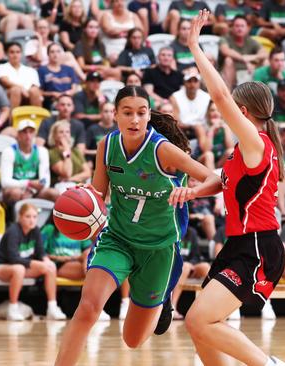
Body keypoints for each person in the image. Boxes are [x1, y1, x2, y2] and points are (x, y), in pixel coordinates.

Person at [54, 81, 221, 364]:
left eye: (141, 113)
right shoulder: (107, 146)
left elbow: (216, 180)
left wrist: (191, 190)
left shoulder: (164, 151)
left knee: (133, 340)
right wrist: (80, 200)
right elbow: (97, 196)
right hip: (117, 239)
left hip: (158, 249)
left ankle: (163, 299)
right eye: (127, 112)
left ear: (148, 115)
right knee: (88, 309)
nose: (135, 119)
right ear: (115, 115)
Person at [183, 10, 285, 365]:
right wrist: (192, 191)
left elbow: (219, 96)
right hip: (240, 245)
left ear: (244, 111)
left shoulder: (257, 142)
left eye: (234, 108)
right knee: (199, 325)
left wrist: (195, 48)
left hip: (259, 246)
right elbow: (221, 180)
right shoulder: (244, 151)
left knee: (200, 320)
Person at [0, 203, 66, 321]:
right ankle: (12, 308)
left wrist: (46, 260)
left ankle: (52, 308)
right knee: (18, 269)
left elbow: (41, 253)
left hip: (21, 267)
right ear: (20, 217)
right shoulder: (13, 231)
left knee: (51, 267)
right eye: (28, 216)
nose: (32, 220)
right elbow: (13, 258)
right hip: (0, 267)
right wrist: (35, 264)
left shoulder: (35, 230)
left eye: (35, 217)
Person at [1, 119, 57, 205]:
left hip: (34, 190)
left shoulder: (42, 151)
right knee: (15, 193)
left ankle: (50, 218)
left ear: (35, 134)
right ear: (18, 135)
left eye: (31, 132)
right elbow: (5, 182)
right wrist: (28, 183)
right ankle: (12, 217)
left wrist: (31, 190)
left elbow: (45, 182)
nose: (28, 136)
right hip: (15, 188)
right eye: (24, 132)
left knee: (54, 193)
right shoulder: (9, 151)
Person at [170, 227, 210, 320]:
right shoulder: (172, 230)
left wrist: (192, 264)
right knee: (185, 266)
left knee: (205, 267)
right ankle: (173, 306)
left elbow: (196, 255)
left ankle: (211, 308)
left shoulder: (192, 232)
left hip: (189, 267)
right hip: (173, 268)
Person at [219, 15, 266, 89]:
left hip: (248, 72)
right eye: (237, 26)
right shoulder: (225, 39)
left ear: (247, 28)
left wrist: (252, 60)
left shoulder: (250, 40)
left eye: (242, 26)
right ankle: (228, 94)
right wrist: (243, 59)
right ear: (232, 27)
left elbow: (264, 53)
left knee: (265, 62)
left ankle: (263, 94)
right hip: (230, 73)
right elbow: (225, 50)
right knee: (228, 60)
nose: (239, 28)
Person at [0, 42, 43, 109]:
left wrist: (26, 92)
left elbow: (35, 86)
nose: (15, 55)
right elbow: (5, 81)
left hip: (28, 95)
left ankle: (37, 118)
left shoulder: (31, 70)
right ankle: (12, 119)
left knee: (34, 91)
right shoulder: (1, 67)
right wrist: (21, 88)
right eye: (12, 52)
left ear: (21, 54)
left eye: (18, 52)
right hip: (9, 95)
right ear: (6, 54)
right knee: (16, 90)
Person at [47, 120, 92, 186]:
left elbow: (88, 173)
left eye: (67, 132)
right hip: (62, 186)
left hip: (79, 185)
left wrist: (70, 179)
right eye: (61, 132)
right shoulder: (52, 152)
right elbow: (67, 172)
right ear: (54, 136)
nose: (65, 134)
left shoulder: (76, 151)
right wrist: (66, 149)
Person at [169, 69, 211, 138]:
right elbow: (175, 121)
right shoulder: (175, 97)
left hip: (203, 130)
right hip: (182, 130)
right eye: (189, 81)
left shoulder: (207, 97)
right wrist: (192, 127)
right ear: (184, 83)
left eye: (195, 81)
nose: (192, 84)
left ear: (199, 83)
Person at [38, 43, 81, 108]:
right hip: (52, 101)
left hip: (69, 100)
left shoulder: (69, 69)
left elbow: (74, 87)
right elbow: (39, 91)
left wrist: (68, 93)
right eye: (52, 52)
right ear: (48, 54)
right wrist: (52, 93)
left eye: (58, 51)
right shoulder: (42, 70)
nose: (55, 54)